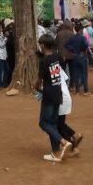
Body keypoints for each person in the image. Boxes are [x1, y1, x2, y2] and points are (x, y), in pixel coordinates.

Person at [36, 33, 69, 163]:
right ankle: (55, 152)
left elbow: (39, 79)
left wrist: (36, 87)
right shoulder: (57, 57)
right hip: (58, 92)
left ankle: (63, 142)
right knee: (53, 123)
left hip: (49, 94)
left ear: (43, 45)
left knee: (44, 123)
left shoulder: (44, 61)